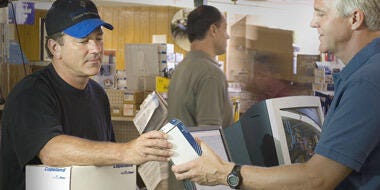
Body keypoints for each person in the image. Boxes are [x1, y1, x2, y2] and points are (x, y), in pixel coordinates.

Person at [171, 0, 380, 189]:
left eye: (321, 13)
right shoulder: (366, 75)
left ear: (354, 19)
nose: (312, 23)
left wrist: (227, 173)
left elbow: (317, 179)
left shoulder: (366, 82)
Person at [0, 0, 172, 190]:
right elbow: (51, 152)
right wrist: (126, 151)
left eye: (99, 38)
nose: (96, 49)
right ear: (55, 48)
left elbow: (105, 159)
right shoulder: (30, 94)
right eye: (83, 41)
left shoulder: (98, 95)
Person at [167, 5, 233, 129]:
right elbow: (210, 135)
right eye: (225, 29)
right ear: (213, 30)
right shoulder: (210, 73)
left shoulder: (182, 67)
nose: (228, 36)